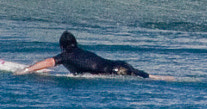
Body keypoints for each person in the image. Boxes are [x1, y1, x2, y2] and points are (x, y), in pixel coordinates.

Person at [20, 31, 149, 78]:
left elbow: (49, 62)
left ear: (62, 46)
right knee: (149, 77)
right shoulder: (83, 52)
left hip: (113, 72)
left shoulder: (66, 55)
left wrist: (27, 70)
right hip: (120, 65)